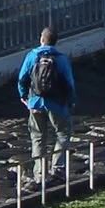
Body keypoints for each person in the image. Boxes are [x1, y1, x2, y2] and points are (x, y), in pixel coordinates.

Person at [16, 23, 75, 173]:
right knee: (62, 133)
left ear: (41, 39)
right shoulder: (61, 59)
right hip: (57, 103)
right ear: (56, 41)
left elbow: (22, 79)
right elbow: (69, 83)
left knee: (38, 137)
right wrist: (71, 101)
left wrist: (24, 96)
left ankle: (40, 173)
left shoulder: (32, 55)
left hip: (35, 101)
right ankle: (57, 168)